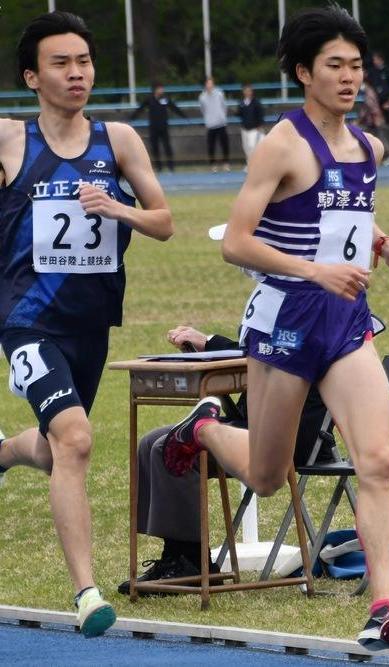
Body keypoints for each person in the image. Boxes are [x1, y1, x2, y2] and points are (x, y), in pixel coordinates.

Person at [162, 5, 389, 652]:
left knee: (377, 462)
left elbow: (347, 213)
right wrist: (315, 270)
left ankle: (381, 604)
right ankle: (203, 427)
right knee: (269, 475)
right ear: (304, 72)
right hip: (284, 321)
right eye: (333, 65)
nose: (347, 77)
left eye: (356, 66)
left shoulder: (369, 145)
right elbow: (237, 243)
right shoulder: (282, 143)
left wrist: (384, 247)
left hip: (345, 324)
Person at [0, 11, 173, 638]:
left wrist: (116, 207)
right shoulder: (10, 140)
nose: (77, 74)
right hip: (26, 322)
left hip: (90, 323)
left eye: (84, 62)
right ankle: (87, 592)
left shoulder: (119, 140)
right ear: (32, 76)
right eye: (60, 64)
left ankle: (9, 450)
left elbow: (164, 221)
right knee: (75, 440)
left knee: (53, 448)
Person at [116, 325, 335, 594]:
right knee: (151, 441)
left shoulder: (315, 318)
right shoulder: (279, 313)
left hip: (288, 437)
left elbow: (269, 355)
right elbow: (256, 352)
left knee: (169, 446)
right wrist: (206, 343)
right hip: (251, 424)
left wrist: (208, 342)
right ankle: (177, 556)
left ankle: (192, 563)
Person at [131, 82, 186, 172]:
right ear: (155, 90)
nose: (162, 90)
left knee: (167, 146)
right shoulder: (149, 99)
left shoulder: (165, 99)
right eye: (160, 88)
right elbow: (140, 109)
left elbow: (174, 108)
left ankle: (171, 166)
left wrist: (184, 116)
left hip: (164, 127)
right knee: (155, 147)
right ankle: (159, 167)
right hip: (153, 127)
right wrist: (132, 118)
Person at [199, 76, 230, 172]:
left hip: (221, 123)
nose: (209, 85)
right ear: (205, 85)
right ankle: (213, 165)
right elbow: (202, 110)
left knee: (225, 144)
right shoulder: (202, 97)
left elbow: (224, 106)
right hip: (210, 124)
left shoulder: (220, 94)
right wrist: (208, 119)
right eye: (208, 83)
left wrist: (222, 117)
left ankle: (226, 163)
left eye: (211, 83)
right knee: (211, 146)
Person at [237, 83, 264, 168]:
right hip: (244, 128)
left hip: (254, 128)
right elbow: (240, 114)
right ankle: (249, 163)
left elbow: (260, 114)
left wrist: (260, 125)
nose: (247, 92)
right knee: (246, 148)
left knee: (252, 146)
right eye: (246, 90)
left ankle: (254, 165)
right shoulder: (242, 103)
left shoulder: (256, 102)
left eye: (249, 90)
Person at [367, 51, 389, 126]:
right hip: (375, 99)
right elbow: (369, 84)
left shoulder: (387, 71)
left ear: (380, 59)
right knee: (375, 118)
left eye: (375, 59)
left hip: (385, 99)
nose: (374, 61)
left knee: (387, 119)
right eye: (373, 60)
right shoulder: (372, 71)